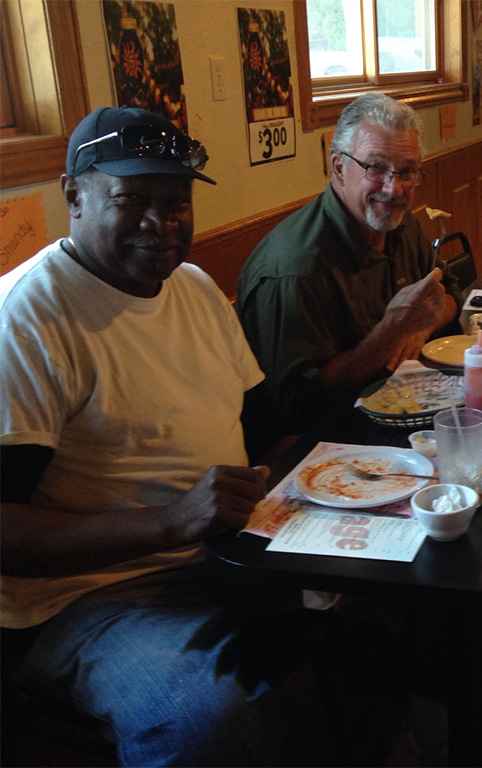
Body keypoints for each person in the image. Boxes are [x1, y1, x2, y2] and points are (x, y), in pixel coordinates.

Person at [0, 107, 329, 766]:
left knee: (387, 600)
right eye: (132, 199)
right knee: (198, 721)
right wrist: (171, 522)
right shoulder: (29, 318)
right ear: (73, 193)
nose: (161, 221)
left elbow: (266, 431)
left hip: (231, 556)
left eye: (176, 202)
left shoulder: (196, 288)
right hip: (93, 598)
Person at [236, 92, 461, 428]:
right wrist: (392, 331)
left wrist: (420, 328)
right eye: (376, 167)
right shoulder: (296, 269)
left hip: (403, 406)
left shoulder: (399, 223)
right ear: (339, 167)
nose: (394, 188)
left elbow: (451, 294)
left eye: (407, 172)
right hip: (324, 439)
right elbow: (303, 404)